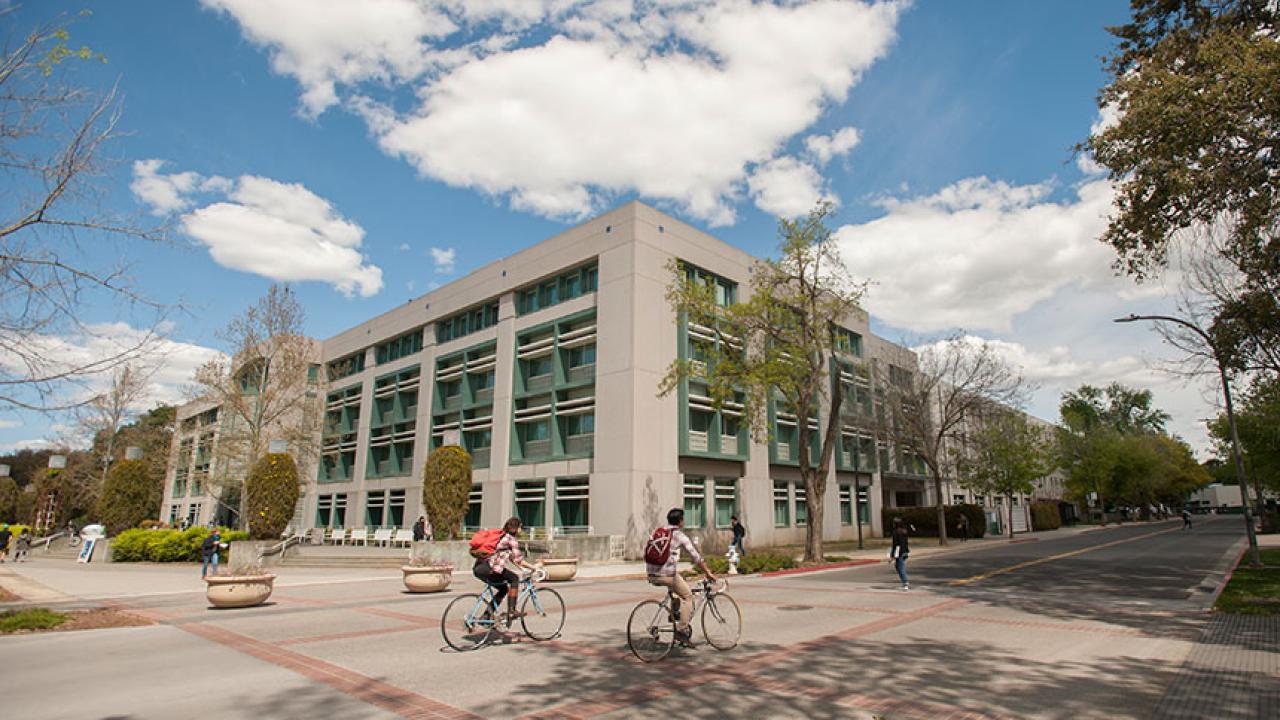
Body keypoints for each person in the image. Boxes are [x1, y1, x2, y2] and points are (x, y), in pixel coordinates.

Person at [646, 508, 718, 646]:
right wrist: (707, 572)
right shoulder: (679, 536)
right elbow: (695, 557)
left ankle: (674, 614)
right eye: (683, 519)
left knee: (678, 587)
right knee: (688, 596)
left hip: (651, 574)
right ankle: (681, 630)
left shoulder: (659, 531)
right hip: (666, 575)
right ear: (680, 521)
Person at [473, 517, 539, 625]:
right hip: (490, 569)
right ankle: (512, 611)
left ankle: (486, 616)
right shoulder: (510, 539)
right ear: (516, 528)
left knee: (503, 589)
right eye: (520, 527)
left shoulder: (501, 536)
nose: (521, 530)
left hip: (480, 568)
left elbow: (512, 559)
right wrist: (534, 568)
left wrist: (523, 569)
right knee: (514, 578)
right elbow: (519, 559)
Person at [889, 517, 910, 591]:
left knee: (900, 567)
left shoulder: (896, 532)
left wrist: (892, 555)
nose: (893, 524)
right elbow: (905, 542)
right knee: (898, 566)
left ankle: (905, 582)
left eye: (894, 523)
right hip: (905, 550)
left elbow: (895, 544)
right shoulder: (904, 531)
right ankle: (904, 582)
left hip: (899, 551)